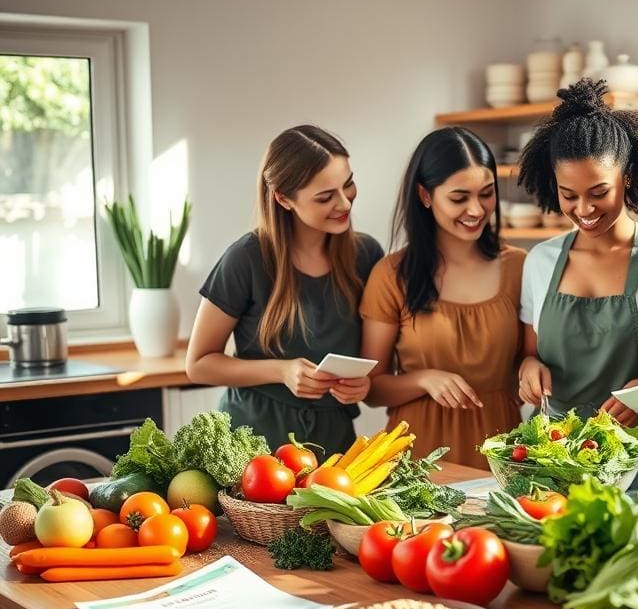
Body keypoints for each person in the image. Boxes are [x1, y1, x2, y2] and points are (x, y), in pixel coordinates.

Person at [515, 79, 638, 494]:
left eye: (598, 192)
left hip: (631, 455)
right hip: (550, 456)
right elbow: (529, 353)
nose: (584, 210)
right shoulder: (540, 261)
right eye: (568, 195)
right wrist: (528, 369)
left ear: (628, 178)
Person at [186, 125, 383, 453]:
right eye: (324, 196)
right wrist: (282, 371)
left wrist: (363, 385)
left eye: (348, 184)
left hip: (334, 442)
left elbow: (374, 361)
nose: (344, 202)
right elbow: (199, 363)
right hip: (251, 442)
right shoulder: (246, 258)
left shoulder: (367, 256)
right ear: (283, 198)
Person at [360, 127, 525, 469]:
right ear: (424, 195)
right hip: (417, 460)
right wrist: (424, 379)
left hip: (501, 455)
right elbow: (372, 389)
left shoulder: (520, 267)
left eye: (487, 193)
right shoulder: (392, 275)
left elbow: (533, 360)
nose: (477, 209)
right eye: (459, 197)